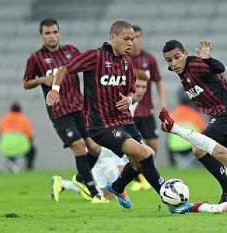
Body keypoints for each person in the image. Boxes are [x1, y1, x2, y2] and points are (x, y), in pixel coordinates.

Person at [46, 20, 165, 209]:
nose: (130, 43)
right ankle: (168, 196)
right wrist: (55, 89)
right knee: (145, 153)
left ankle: (117, 187)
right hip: (101, 125)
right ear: (112, 37)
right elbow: (65, 69)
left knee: (139, 163)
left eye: (132, 39)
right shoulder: (95, 57)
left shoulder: (127, 63)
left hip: (125, 121)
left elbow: (130, 91)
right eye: (126, 39)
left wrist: (129, 98)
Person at [23, 18, 108, 203]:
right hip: (59, 112)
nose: (52, 36)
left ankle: (78, 179)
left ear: (59, 33)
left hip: (80, 108)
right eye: (47, 33)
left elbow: (86, 69)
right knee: (79, 146)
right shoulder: (36, 58)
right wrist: (41, 80)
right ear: (41, 36)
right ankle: (93, 193)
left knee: (95, 148)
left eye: (54, 32)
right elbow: (26, 83)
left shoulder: (71, 51)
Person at [162, 39, 227, 203]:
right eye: (169, 60)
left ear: (186, 54)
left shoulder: (193, 64)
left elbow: (219, 68)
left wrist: (207, 59)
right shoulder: (183, 74)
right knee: (220, 154)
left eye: (177, 57)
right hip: (225, 113)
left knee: (199, 150)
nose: (174, 62)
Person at [51, 72, 150, 202]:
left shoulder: (133, 101)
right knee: (107, 195)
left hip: (111, 147)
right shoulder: (120, 98)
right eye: (138, 86)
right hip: (101, 148)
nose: (141, 90)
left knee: (114, 188)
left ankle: (63, 183)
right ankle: (74, 185)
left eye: (144, 87)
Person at [129, 25, 166, 191]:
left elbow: (158, 81)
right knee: (134, 147)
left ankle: (143, 175)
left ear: (141, 38)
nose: (135, 41)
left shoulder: (149, 59)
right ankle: (139, 180)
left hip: (146, 110)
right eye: (132, 38)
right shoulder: (124, 60)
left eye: (137, 37)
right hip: (129, 112)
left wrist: (162, 102)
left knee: (153, 145)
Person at [167, 89, 205, 167]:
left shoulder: (172, 114)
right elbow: (204, 132)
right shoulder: (195, 114)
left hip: (174, 147)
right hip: (190, 147)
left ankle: (173, 164)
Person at [0, 102, 36, 173]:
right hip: (21, 147)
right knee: (32, 150)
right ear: (20, 110)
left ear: (10, 110)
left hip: (6, 147)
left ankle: (12, 166)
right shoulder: (24, 120)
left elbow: (0, 135)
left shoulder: (4, 119)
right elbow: (30, 136)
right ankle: (29, 168)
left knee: (11, 154)